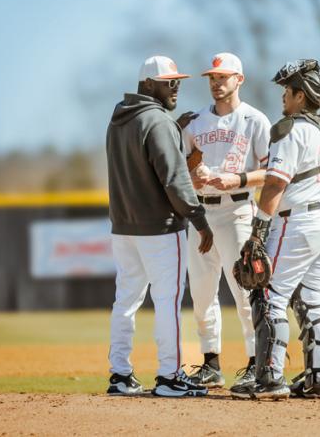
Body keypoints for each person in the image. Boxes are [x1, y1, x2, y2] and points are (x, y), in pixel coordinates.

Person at [230, 59, 320, 400]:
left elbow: (273, 186)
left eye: (287, 90)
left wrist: (257, 233)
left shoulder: (289, 129)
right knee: (314, 300)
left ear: (301, 96)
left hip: (298, 220)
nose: (283, 96)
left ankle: (269, 379)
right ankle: (319, 378)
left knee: (268, 295)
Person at [106, 55, 213, 397]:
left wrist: (173, 133)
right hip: (161, 228)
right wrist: (199, 218)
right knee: (167, 301)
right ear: (149, 84)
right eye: (169, 81)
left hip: (124, 227)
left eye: (178, 80)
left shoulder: (118, 120)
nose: (176, 86)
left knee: (125, 301)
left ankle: (120, 374)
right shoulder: (159, 122)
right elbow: (174, 179)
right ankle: (169, 377)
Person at [180, 53, 271, 389]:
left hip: (237, 210)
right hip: (201, 213)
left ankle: (254, 362)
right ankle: (210, 363)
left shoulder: (255, 120)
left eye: (223, 77)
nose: (216, 83)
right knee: (202, 293)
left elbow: (271, 172)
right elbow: (178, 168)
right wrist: (192, 174)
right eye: (212, 78)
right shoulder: (194, 122)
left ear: (239, 80)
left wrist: (239, 180)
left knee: (245, 290)